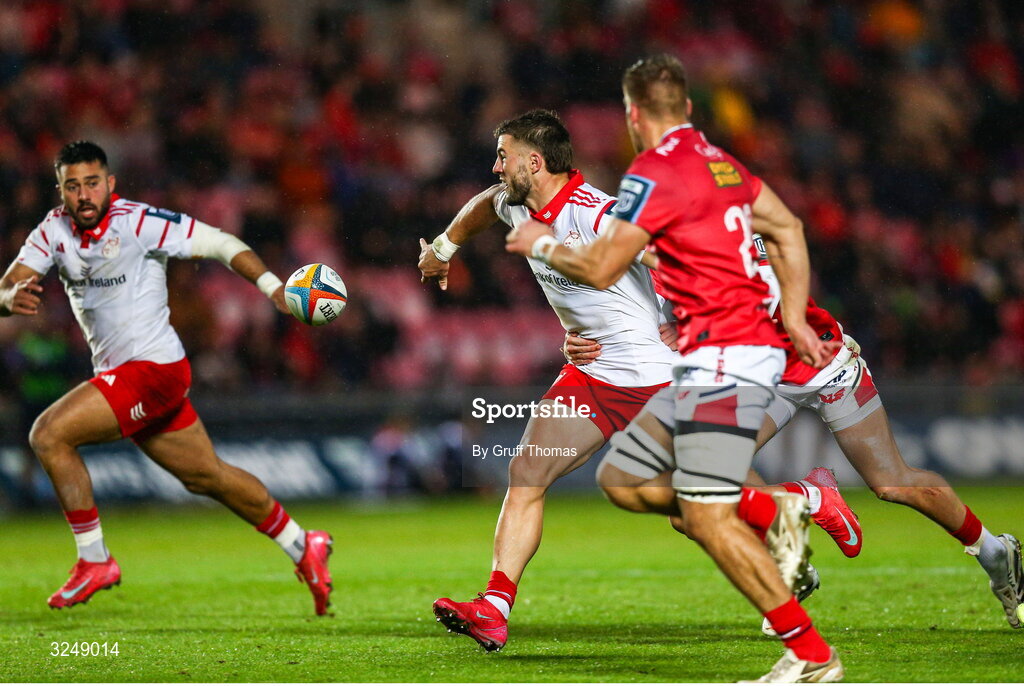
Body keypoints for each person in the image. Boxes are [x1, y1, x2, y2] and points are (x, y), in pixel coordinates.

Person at [418, 109, 831, 653]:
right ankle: (495, 608)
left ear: (535, 163)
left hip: (656, 379)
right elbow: (480, 210)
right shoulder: (514, 205)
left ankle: (806, 501)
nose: (496, 167)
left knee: (697, 511)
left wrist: (688, 320)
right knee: (526, 472)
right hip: (590, 376)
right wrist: (444, 249)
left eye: (504, 156)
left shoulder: (600, 217)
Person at [507, 55, 844, 682]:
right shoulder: (723, 165)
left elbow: (603, 267)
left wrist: (542, 244)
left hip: (726, 351)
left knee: (706, 513)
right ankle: (785, 509)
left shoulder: (649, 174)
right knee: (624, 478)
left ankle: (809, 647)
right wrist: (794, 316)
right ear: (687, 108)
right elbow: (789, 228)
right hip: (730, 349)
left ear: (633, 115)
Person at [581, 233, 1024, 633]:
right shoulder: (648, 252)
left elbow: (764, 307)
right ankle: (796, 547)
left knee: (893, 483)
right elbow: (616, 310)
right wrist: (576, 340)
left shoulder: (732, 237)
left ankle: (993, 552)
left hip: (819, 364)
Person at [0, 141, 334, 614]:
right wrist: (7, 299)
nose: (83, 194)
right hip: (131, 375)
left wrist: (273, 287)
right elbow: (10, 282)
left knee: (49, 435)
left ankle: (94, 560)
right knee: (207, 476)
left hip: (152, 369)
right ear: (61, 190)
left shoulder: (138, 222)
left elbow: (220, 242)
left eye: (92, 182)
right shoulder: (53, 230)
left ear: (109, 183)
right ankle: (303, 543)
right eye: (72, 186)